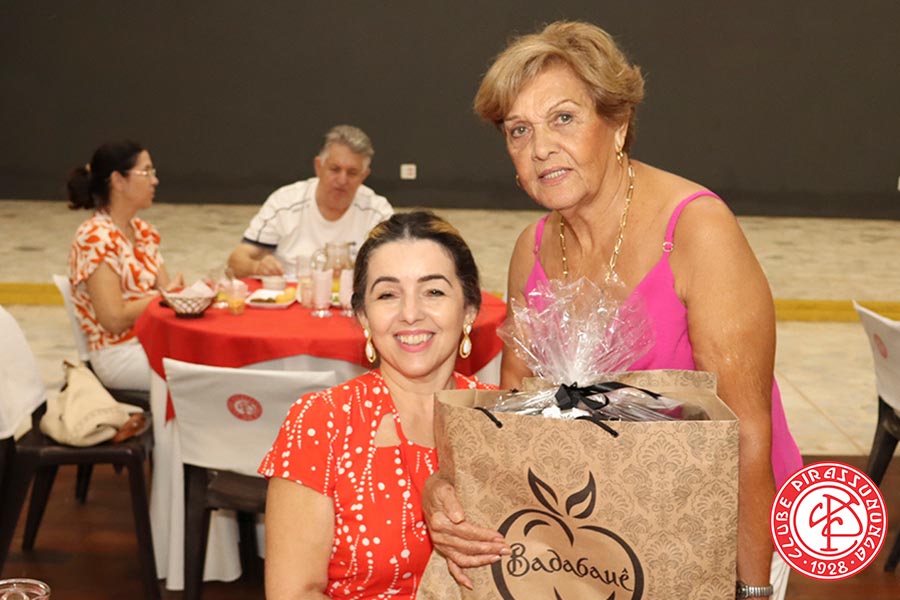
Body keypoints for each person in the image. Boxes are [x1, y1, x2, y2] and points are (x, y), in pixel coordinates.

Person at [423, 21, 801, 600]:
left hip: (716, 526)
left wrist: (750, 590)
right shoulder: (532, 248)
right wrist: (447, 484)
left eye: (563, 118)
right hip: (602, 534)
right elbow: (515, 415)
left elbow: (746, 433)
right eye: (519, 130)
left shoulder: (698, 230)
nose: (540, 148)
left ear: (618, 124)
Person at [258, 211, 494, 599]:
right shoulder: (323, 422)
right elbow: (294, 594)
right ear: (364, 316)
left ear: (469, 309)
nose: (410, 313)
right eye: (387, 295)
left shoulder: (500, 418)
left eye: (433, 292)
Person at [67, 140, 183, 391]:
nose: (155, 181)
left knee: (212, 361)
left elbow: (168, 295)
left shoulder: (143, 231)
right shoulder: (95, 237)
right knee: (199, 374)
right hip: (119, 353)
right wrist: (164, 297)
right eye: (146, 172)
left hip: (151, 338)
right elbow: (114, 319)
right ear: (118, 181)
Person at [228, 124, 394, 278]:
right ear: (318, 167)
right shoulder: (284, 203)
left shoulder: (378, 213)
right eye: (335, 169)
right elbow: (236, 260)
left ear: (364, 175)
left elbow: (397, 267)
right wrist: (256, 267)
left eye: (352, 173)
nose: (342, 180)